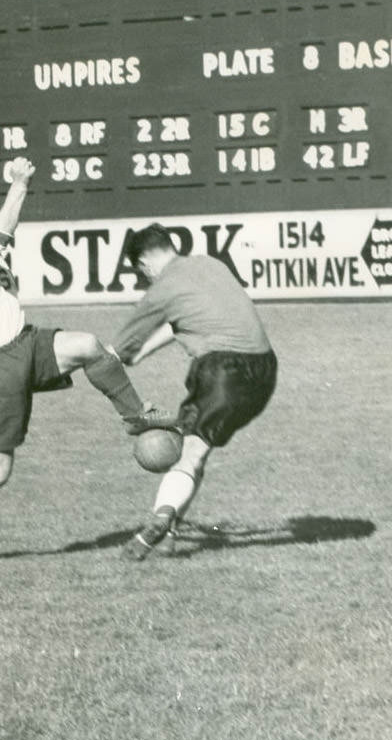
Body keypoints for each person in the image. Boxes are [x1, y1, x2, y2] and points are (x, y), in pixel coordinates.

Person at [0, 157, 170, 561]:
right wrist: (20, 183)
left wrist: (4, 191)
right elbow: (1, 231)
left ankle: (136, 415)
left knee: (89, 344)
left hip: (23, 344)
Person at [112, 223, 278, 561]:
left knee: (189, 455)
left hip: (223, 370)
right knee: (196, 449)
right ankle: (171, 532)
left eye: (144, 274)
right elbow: (184, 319)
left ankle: (158, 522)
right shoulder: (211, 265)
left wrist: (124, 354)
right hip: (264, 371)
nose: (147, 280)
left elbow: (119, 348)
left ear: (145, 264)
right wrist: (145, 353)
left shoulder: (162, 288)